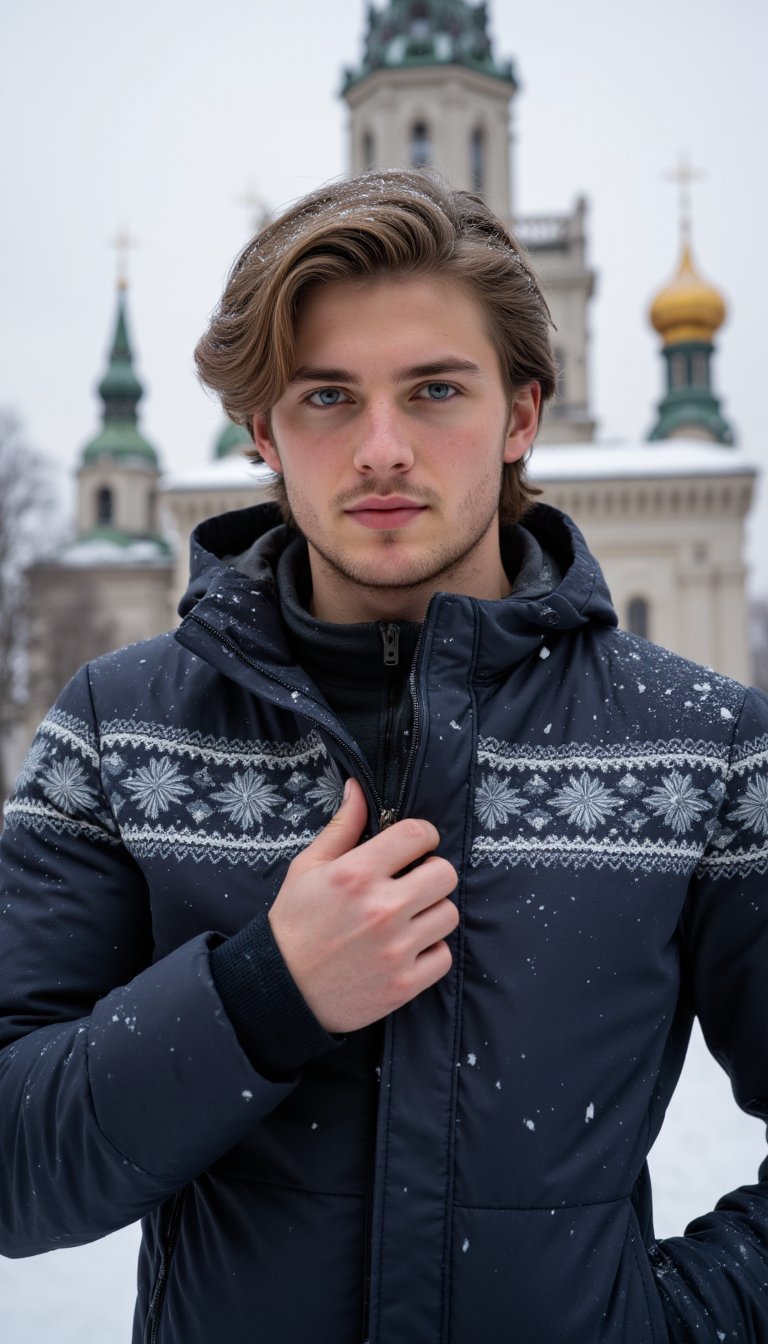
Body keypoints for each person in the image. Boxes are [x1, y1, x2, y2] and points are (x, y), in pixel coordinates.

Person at [1, 170, 767, 1344]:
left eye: (436, 390)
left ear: (521, 414)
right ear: (261, 431)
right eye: (325, 397)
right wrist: (262, 996)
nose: (382, 450)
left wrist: (669, 1325)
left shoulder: (701, 747)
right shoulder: (121, 726)